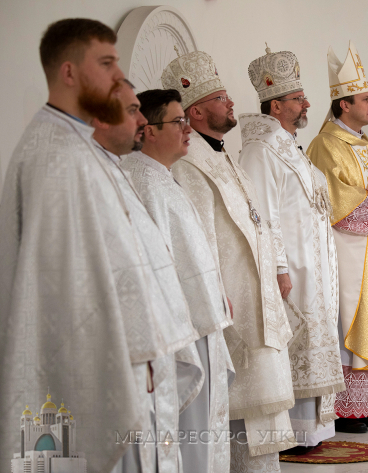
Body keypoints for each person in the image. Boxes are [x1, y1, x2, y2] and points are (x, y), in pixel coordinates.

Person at [0, 19, 191, 473]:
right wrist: (124, 357)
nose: (116, 75)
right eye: (105, 64)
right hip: (95, 367)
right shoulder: (57, 157)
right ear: (68, 73)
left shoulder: (77, 146)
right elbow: (67, 285)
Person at [162, 50, 296, 472]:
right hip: (230, 301)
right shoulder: (189, 164)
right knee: (240, 410)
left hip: (258, 296)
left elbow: (258, 221)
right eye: (221, 98)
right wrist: (214, 295)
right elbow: (196, 240)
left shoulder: (223, 155)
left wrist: (277, 268)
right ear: (196, 111)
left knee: (263, 410)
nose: (231, 102)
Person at [121, 88, 236, 471]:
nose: (187, 129)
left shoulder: (164, 179)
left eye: (187, 120)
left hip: (200, 318)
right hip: (182, 328)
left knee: (205, 428)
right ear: (149, 130)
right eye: (177, 121)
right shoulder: (143, 183)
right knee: (191, 430)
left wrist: (216, 292)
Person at [238, 46, 344, 454]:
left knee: (316, 341)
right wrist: (279, 267)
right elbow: (262, 215)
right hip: (293, 271)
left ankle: (313, 430)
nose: (307, 104)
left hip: (314, 268)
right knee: (297, 342)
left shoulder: (292, 148)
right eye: (298, 99)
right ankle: (295, 430)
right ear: (276, 104)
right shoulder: (260, 150)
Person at [93, 80, 203, 473]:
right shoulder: (134, 178)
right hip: (152, 335)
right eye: (179, 121)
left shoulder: (160, 177)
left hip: (179, 321)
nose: (139, 120)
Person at [307, 41, 368, 433]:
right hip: (346, 251)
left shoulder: (361, 143)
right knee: (351, 320)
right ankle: (344, 410)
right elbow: (339, 203)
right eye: (366, 99)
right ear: (344, 103)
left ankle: (360, 407)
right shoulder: (326, 144)